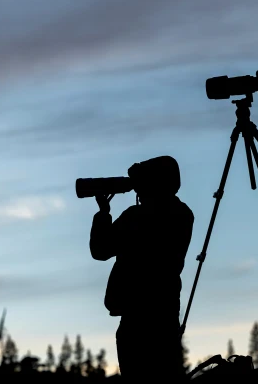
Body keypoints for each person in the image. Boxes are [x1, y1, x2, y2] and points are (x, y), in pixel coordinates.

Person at [90, 155, 194, 382]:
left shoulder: (135, 217)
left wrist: (103, 213)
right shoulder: (183, 214)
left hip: (135, 319)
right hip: (165, 312)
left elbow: (100, 250)